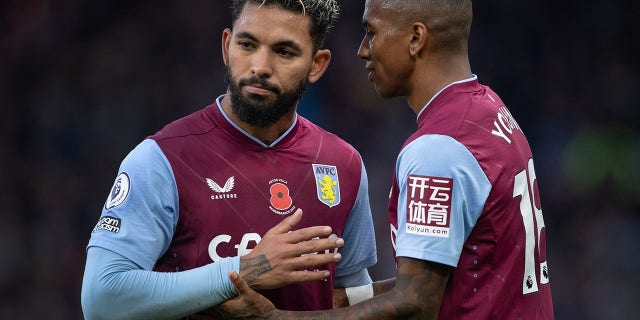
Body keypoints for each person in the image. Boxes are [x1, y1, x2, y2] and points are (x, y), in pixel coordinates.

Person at [216, 0, 555, 319]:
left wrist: (276, 318)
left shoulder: (438, 150)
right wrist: (346, 298)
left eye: (372, 32)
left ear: (415, 38)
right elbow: (460, 274)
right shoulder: (491, 112)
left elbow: (416, 304)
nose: (364, 49)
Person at [80, 0, 378, 319]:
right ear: (226, 46)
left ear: (316, 65)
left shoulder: (343, 164)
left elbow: (349, 295)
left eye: (284, 52)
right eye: (247, 44)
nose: (260, 66)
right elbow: (102, 298)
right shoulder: (161, 159)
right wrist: (246, 268)